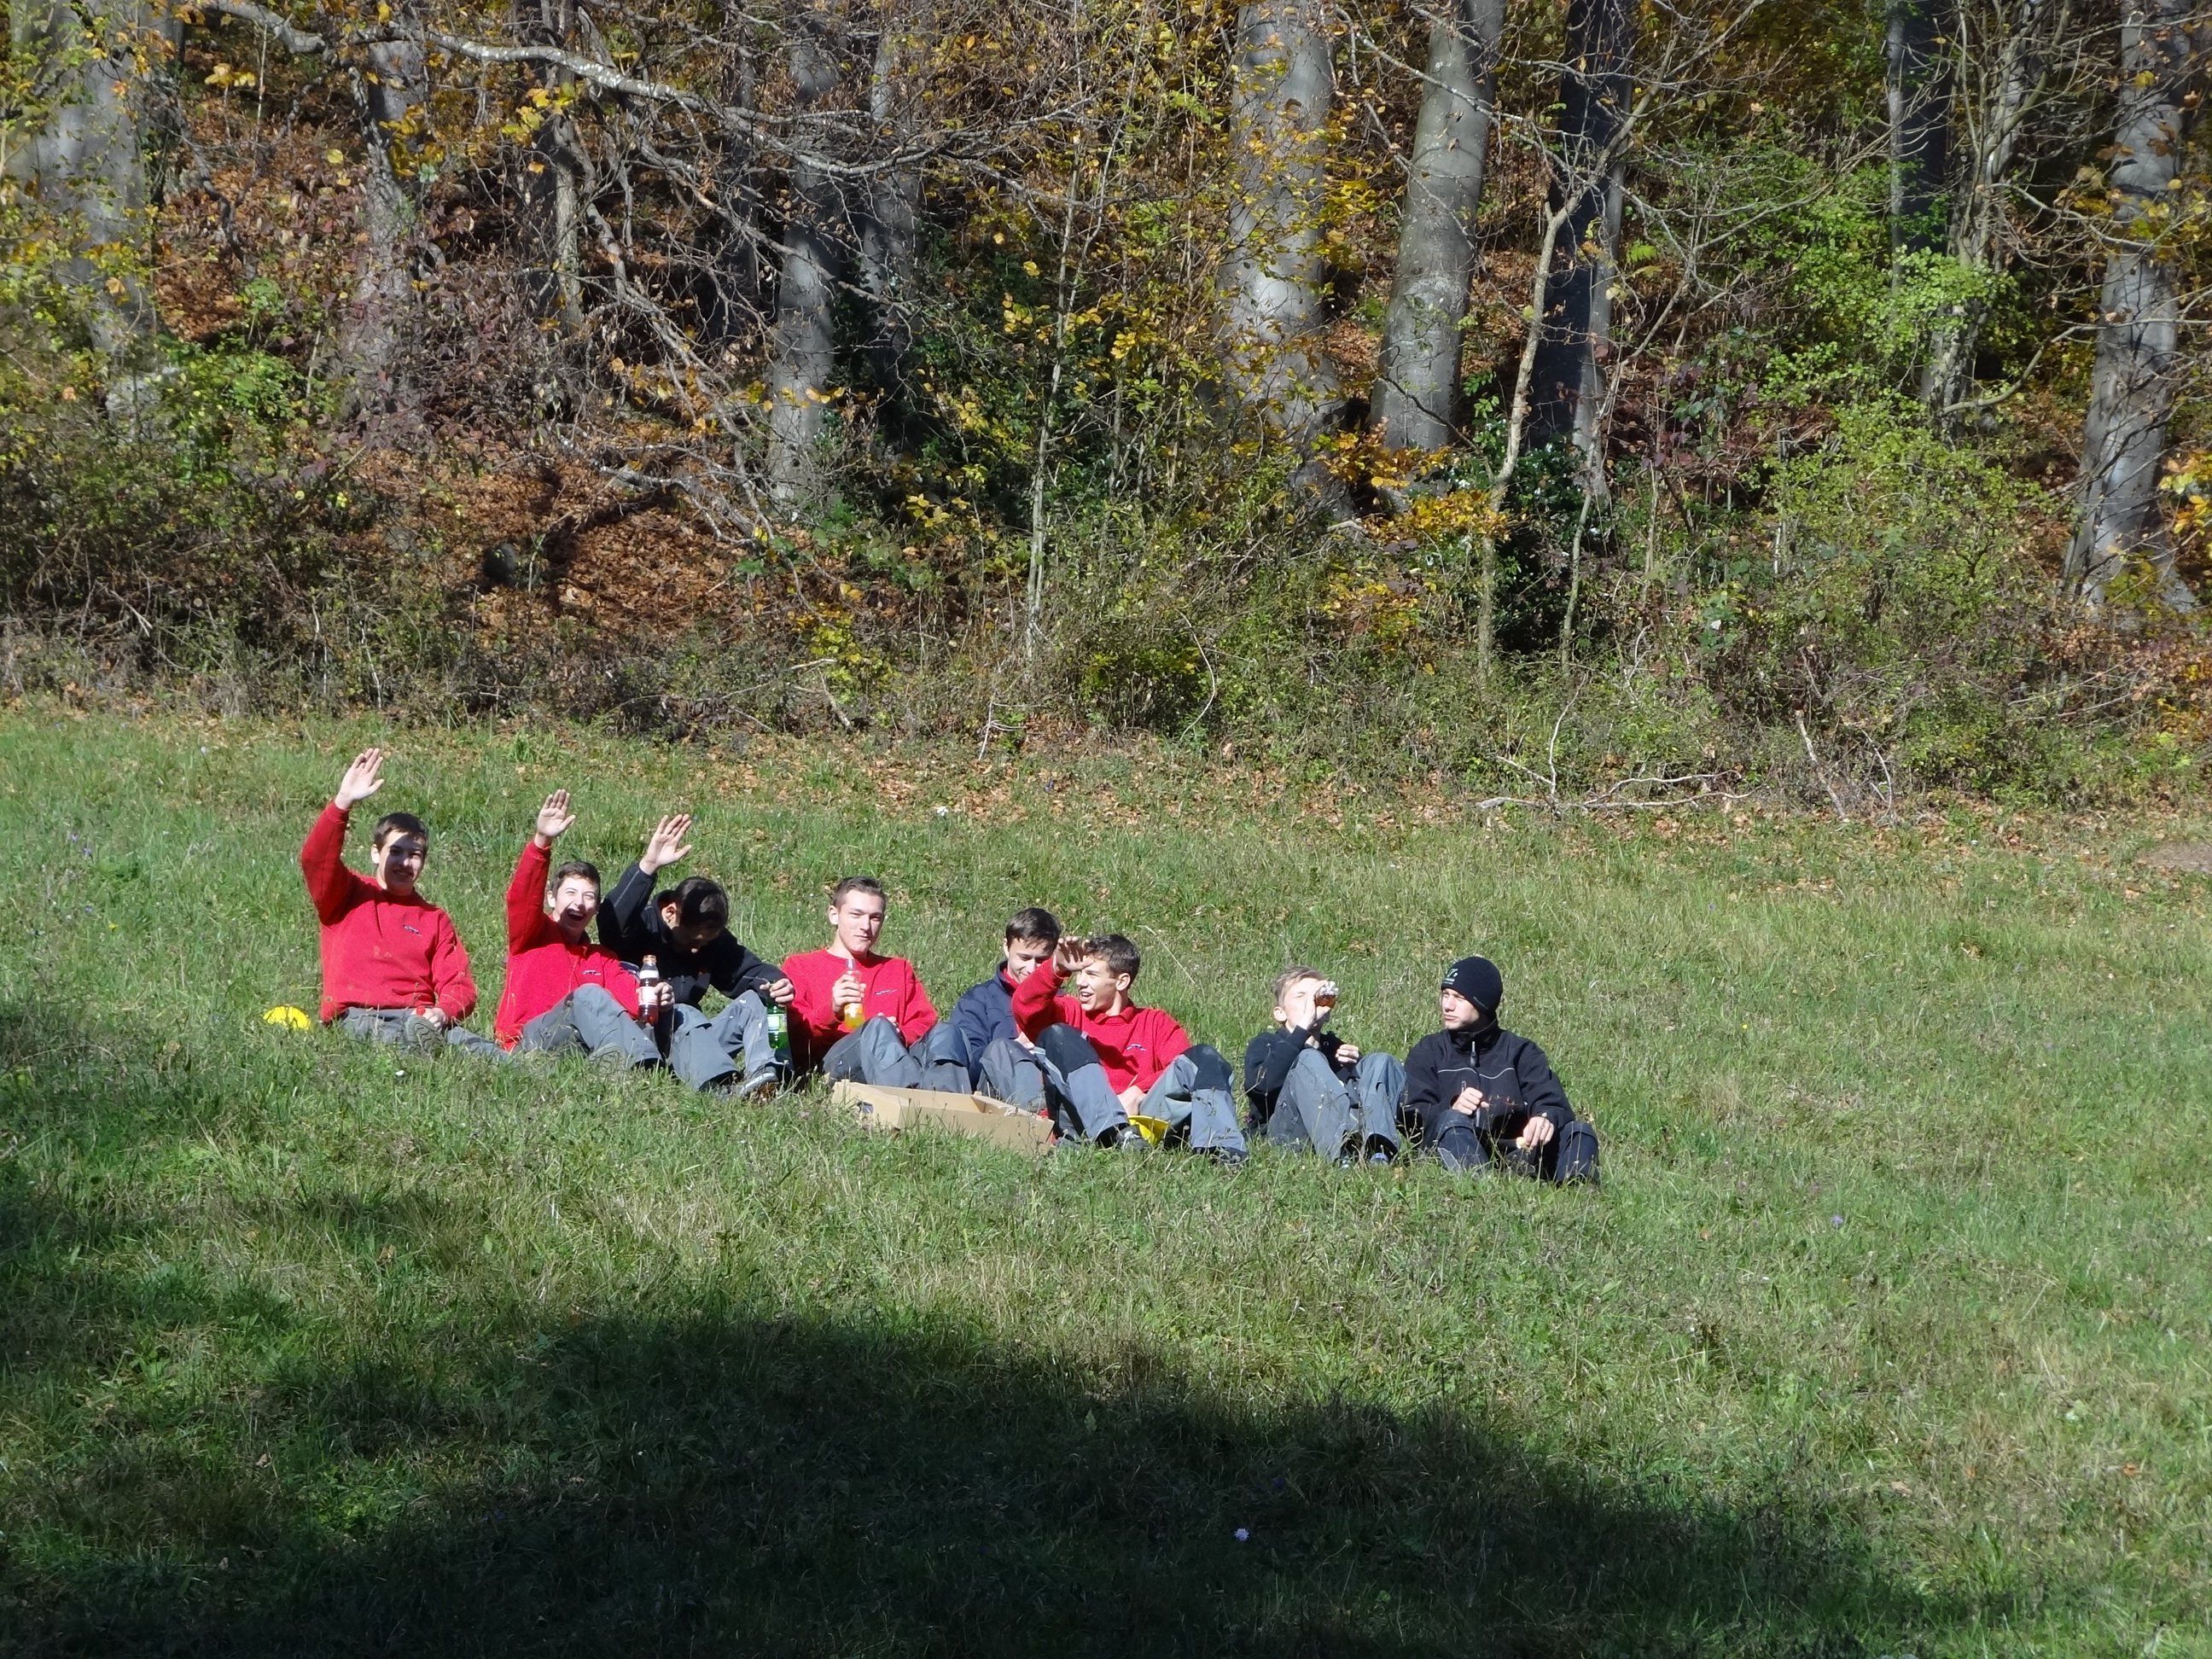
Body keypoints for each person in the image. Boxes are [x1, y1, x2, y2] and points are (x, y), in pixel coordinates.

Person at [598, 812, 795, 1095]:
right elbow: (610, 926)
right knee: (683, 1010)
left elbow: (748, 971)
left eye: (706, 943)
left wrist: (776, 983)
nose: (696, 949)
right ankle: (719, 1089)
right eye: (691, 939)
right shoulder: (641, 926)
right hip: (646, 1038)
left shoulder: (711, 941)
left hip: (694, 1040)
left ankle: (768, 1078)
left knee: (760, 999)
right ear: (671, 913)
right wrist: (648, 867)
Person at [299, 747, 480, 1050]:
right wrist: (342, 803)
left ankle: (534, 1069)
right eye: (395, 852)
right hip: (360, 1017)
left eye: (414, 855)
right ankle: (419, 1050)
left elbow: (459, 984)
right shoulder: (347, 894)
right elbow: (315, 860)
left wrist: (442, 1012)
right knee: (398, 1044)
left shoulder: (434, 919)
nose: (405, 863)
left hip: (419, 1019)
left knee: (482, 1050)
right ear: (376, 853)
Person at [1010, 932, 1246, 1160]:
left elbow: (1180, 1071)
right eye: (1079, 973)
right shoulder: (1069, 1012)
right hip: (1082, 1121)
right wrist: (1056, 968)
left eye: (1091, 974)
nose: (1080, 982)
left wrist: (1137, 1091)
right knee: (1057, 1034)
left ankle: (1223, 1150)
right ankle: (1113, 1131)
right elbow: (1024, 1007)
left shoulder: (1155, 1022)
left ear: (1121, 981)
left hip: (1143, 1120)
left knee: (1204, 1057)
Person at [475, 790, 661, 1067]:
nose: (579, 903)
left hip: (576, 1048)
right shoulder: (532, 935)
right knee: (589, 994)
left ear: (596, 908)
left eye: (588, 897)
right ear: (552, 898)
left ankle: (632, 1066)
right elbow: (522, 898)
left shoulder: (602, 959)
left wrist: (656, 996)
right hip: (529, 1041)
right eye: (570, 893)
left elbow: (634, 1003)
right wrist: (542, 842)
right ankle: (638, 1065)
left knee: (603, 1001)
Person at [1402, 956, 1598, 1183]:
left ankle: (1578, 1191)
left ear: (1483, 1003)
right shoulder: (1429, 1051)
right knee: (1451, 1121)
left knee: (1579, 1132)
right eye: (1445, 995)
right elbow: (1411, 1116)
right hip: (1454, 1144)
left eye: (1459, 998)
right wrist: (1451, 1108)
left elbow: (1553, 1103)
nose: (1447, 1005)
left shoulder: (1520, 1052)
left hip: (1519, 1152)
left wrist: (1545, 1118)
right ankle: (1478, 1187)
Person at [780, 876, 940, 1087]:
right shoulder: (800, 966)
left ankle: (950, 1101)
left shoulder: (898, 969)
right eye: (856, 915)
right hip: (833, 1062)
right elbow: (792, 1039)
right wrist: (832, 1010)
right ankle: (908, 1100)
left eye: (875, 918)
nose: (866, 926)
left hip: (896, 1057)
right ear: (834, 915)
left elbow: (925, 1024)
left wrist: (899, 1034)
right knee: (877, 1027)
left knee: (947, 1033)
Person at [1242, 967, 1406, 1162]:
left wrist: (1356, 1069)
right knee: (1309, 1058)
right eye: (1301, 996)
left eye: (1316, 995)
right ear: (1280, 1013)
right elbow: (1262, 1087)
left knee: (1380, 1061)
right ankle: (1343, 1154)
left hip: (1343, 1128)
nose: (1311, 1002)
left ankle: (1379, 1150)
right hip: (1288, 1134)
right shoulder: (1268, 1044)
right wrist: (1303, 1028)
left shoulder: (1335, 1049)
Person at [917, 906, 1063, 1107]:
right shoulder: (978, 1000)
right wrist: (1013, 1050)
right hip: (992, 1092)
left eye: (1041, 961)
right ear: (1006, 947)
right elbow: (966, 1064)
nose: (1032, 969)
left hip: (1050, 1092)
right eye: (1024, 958)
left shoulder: (1062, 1003)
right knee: (998, 1048)